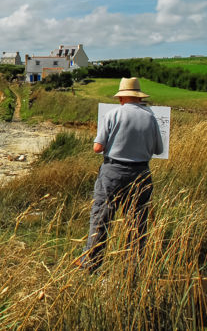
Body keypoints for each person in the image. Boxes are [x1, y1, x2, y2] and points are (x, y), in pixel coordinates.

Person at [78, 77, 164, 272]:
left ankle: (91, 262)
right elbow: (158, 149)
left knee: (101, 217)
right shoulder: (150, 117)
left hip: (113, 171)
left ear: (122, 97)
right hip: (141, 172)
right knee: (137, 221)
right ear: (138, 97)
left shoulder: (113, 114)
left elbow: (97, 147)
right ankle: (132, 266)